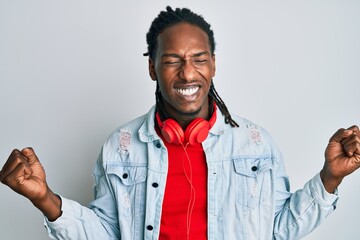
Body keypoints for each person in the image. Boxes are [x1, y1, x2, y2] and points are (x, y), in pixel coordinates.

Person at [0, 6, 359, 240]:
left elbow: (278, 231)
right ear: (152, 68)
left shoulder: (255, 144)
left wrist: (330, 178)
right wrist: (45, 199)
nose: (188, 72)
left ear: (213, 65)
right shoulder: (120, 147)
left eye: (199, 59)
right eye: (172, 60)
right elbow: (106, 234)